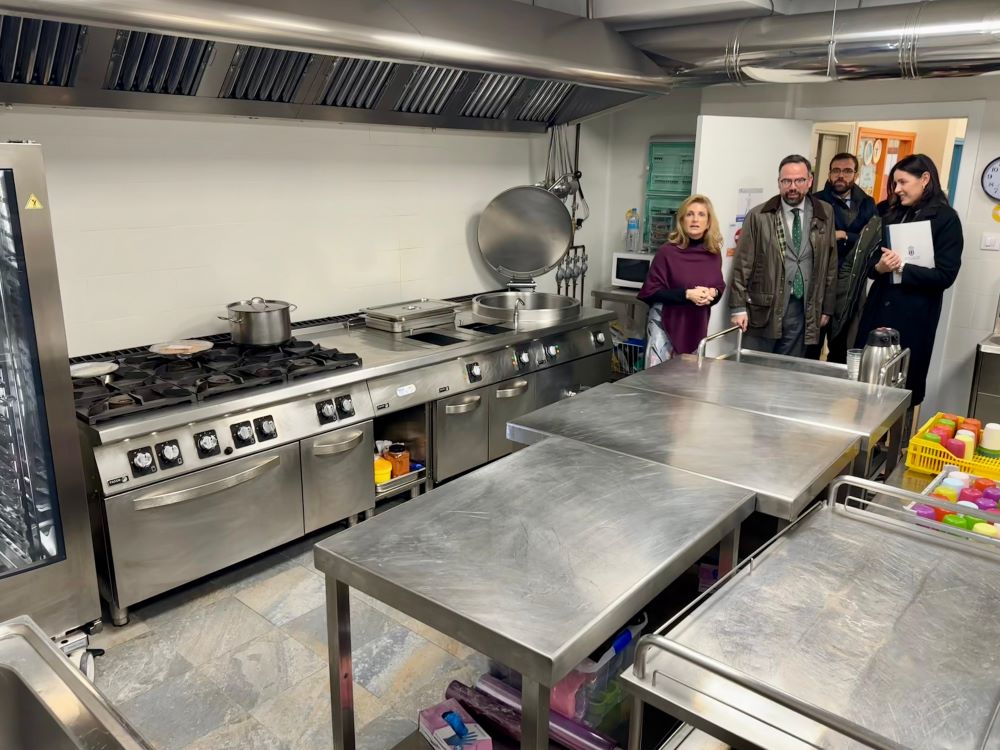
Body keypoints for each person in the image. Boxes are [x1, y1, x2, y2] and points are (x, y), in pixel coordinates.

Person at [856, 153, 963, 407]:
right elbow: (869, 264)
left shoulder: (946, 219)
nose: (897, 189)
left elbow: (945, 275)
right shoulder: (890, 212)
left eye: (903, 182)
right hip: (878, 310)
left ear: (924, 179)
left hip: (914, 316)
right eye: (895, 183)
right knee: (866, 387)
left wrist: (903, 267)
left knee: (901, 391)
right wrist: (880, 267)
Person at [729, 155, 837, 357]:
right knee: (755, 367)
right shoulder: (759, 216)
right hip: (764, 308)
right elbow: (742, 265)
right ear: (778, 182)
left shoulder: (825, 213)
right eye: (786, 181)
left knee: (787, 369)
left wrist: (827, 308)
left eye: (799, 180)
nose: (792, 187)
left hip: (802, 309)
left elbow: (830, 263)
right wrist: (738, 308)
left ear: (810, 181)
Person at [638, 194, 725, 364]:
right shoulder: (667, 252)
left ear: (708, 222)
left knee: (688, 377)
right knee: (658, 377)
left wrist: (712, 293)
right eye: (689, 214)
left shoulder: (713, 253)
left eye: (701, 214)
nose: (695, 219)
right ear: (682, 220)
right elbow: (651, 292)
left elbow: (718, 286)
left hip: (696, 325)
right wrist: (686, 294)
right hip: (664, 325)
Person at [812, 152, 878, 362]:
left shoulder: (867, 203)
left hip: (851, 282)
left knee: (842, 347)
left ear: (856, 174)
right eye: (836, 170)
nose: (841, 175)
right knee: (811, 346)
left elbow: (873, 240)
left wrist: (844, 235)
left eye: (847, 171)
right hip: (819, 280)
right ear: (829, 173)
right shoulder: (815, 201)